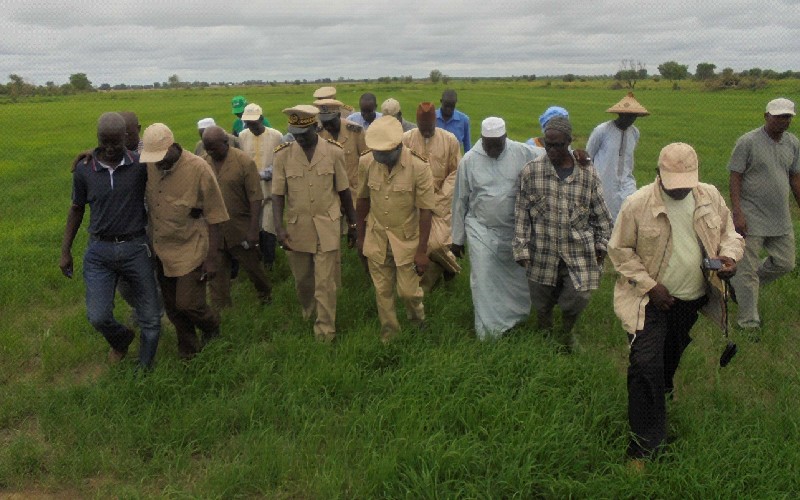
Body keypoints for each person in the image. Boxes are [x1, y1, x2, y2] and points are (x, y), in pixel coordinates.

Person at [608, 142, 744, 463]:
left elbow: (730, 233)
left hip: (691, 300)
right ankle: (644, 446)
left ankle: (662, 392)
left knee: (670, 355)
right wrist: (651, 286)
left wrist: (728, 257)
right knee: (644, 364)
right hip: (649, 300)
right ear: (658, 174)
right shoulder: (637, 204)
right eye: (674, 185)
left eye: (687, 184)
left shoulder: (709, 197)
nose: (681, 191)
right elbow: (620, 251)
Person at [60, 112, 161, 368]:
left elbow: (170, 159)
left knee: (151, 317)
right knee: (98, 316)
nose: (110, 148)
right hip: (99, 250)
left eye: (115, 142)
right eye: (104, 142)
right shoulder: (84, 170)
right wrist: (65, 251)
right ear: (97, 139)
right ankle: (122, 339)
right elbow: (76, 209)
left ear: (126, 137)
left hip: (136, 247)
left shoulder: (140, 165)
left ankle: (145, 369)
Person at [513, 116, 613, 351]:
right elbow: (521, 215)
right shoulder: (532, 172)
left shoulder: (587, 174)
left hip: (577, 250)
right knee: (541, 300)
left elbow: (602, 216)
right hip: (543, 250)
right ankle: (545, 332)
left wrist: (602, 246)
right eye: (548, 144)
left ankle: (567, 332)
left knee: (578, 298)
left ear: (569, 141)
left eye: (558, 145)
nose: (552, 150)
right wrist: (521, 247)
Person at [140, 123, 229, 360]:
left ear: (172, 147)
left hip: (191, 246)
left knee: (188, 303)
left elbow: (216, 217)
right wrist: (87, 155)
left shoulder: (199, 168)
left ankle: (211, 326)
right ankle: (189, 351)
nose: (157, 163)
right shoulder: (148, 163)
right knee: (173, 308)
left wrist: (212, 259)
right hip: (161, 248)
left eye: (161, 157)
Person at [272, 105, 357, 342]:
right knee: (303, 281)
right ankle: (309, 313)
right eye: (295, 135)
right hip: (298, 228)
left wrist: (353, 225)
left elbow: (344, 192)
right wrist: (279, 228)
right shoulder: (283, 155)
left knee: (325, 282)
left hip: (327, 226)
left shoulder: (334, 152)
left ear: (316, 128)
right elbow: (278, 195)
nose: (299, 139)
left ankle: (325, 331)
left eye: (304, 134)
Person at [451, 117, 538, 339]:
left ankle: (515, 320)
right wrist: (457, 239)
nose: (493, 149)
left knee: (516, 278)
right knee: (483, 278)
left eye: (497, 144)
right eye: (488, 144)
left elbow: (548, 157)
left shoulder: (520, 151)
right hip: (481, 229)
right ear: (482, 140)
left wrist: (575, 155)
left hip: (514, 229)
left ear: (505, 138)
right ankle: (487, 331)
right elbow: (460, 200)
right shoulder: (469, 160)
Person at [356, 116, 435, 342]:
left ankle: (418, 321)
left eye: (384, 154)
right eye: (376, 153)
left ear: (398, 146)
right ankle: (390, 335)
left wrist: (421, 251)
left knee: (409, 292)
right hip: (377, 236)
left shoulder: (419, 167)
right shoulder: (367, 162)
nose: (379, 158)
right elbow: (362, 200)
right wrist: (361, 237)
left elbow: (426, 211)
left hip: (407, 240)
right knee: (383, 293)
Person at [728, 97, 800, 332]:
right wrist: (737, 212)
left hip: (780, 217)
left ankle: (737, 283)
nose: (783, 121)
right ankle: (748, 322)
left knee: (786, 263)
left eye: (787, 117)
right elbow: (735, 176)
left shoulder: (792, 144)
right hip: (751, 216)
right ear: (766, 116)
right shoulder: (748, 142)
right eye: (778, 116)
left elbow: (795, 178)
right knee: (746, 270)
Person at [201, 126, 272, 310]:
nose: (210, 152)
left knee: (253, 269)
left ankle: (265, 295)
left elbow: (256, 197)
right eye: (206, 148)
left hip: (240, 228)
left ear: (226, 143)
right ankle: (222, 310)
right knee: (216, 274)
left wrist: (253, 229)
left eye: (213, 148)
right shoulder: (203, 163)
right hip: (214, 231)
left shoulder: (244, 162)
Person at [402, 102, 462, 291]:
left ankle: (450, 268)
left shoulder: (449, 140)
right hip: (413, 204)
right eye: (422, 128)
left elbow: (455, 173)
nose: (426, 132)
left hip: (440, 204)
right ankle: (424, 288)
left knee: (437, 245)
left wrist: (438, 201)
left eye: (429, 129)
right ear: (417, 123)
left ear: (435, 122)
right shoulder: (406, 139)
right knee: (418, 245)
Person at [586, 92, 650, 221]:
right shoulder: (602, 130)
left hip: (627, 182)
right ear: (620, 113)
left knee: (629, 215)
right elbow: (588, 155)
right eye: (628, 115)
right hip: (604, 182)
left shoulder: (634, 132)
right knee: (605, 216)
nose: (631, 119)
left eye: (634, 116)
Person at [237, 103, 286, 269]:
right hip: (250, 190)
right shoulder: (242, 136)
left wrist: (262, 174)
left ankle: (269, 262)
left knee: (268, 225)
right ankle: (256, 259)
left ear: (261, 119)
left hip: (271, 189)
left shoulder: (276, 136)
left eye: (254, 123)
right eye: (248, 124)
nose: (251, 127)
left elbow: (280, 163)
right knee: (254, 224)